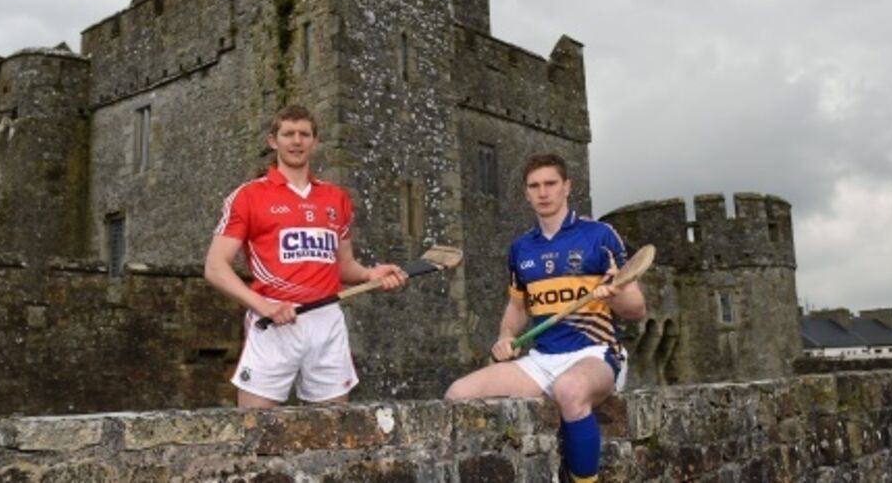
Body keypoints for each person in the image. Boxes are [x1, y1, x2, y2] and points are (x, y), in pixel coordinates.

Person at [444, 153, 646, 483]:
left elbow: (637, 308)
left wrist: (614, 293)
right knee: (458, 394)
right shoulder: (521, 248)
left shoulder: (600, 236)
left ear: (567, 187)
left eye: (550, 183)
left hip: (596, 353)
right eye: (534, 186)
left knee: (569, 389)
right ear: (526, 193)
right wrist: (506, 336)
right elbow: (517, 307)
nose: (543, 192)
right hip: (542, 359)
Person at [204, 104, 407, 408]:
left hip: (327, 321)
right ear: (273, 141)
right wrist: (263, 305)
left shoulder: (336, 198)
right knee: (253, 426)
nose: (296, 141)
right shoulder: (248, 196)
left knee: (333, 425)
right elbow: (215, 268)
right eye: (288, 134)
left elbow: (344, 266)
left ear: (315, 141)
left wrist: (369, 275)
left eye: (304, 134)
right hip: (275, 321)